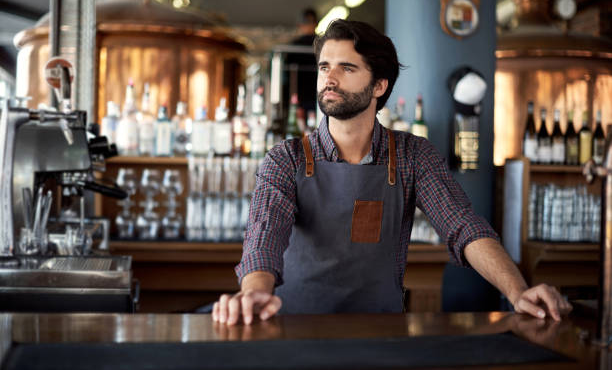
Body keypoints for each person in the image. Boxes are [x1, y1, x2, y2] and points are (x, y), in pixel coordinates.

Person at [212, 19, 572, 325]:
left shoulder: (412, 156)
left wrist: (518, 291)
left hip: (381, 333)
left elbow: (462, 226)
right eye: (324, 67)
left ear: (379, 86)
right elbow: (263, 239)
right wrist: (254, 295)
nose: (329, 79)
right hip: (293, 331)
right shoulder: (284, 159)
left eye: (346, 68)